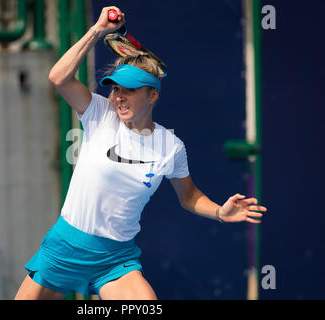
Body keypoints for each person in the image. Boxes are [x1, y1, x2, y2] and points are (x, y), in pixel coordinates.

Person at [14, 6, 267, 300]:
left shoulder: (170, 147)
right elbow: (59, 77)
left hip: (115, 259)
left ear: (153, 95)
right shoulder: (100, 113)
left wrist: (220, 213)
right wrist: (98, 30)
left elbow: (189, 196)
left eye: (130, 90)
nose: (120, 96)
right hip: (66, 246)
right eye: (116, 89)